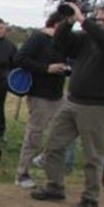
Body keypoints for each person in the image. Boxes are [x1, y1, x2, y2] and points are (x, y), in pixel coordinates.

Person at [31, 4, 104, 207]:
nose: (99, 23)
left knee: (93, 155)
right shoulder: (87, 38)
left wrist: (85, 21)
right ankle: (55, 187)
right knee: (54, 144)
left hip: (97, 106)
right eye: (97, 19)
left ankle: (91, 198)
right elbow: (62, 43)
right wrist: (68, 22)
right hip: (72, 101)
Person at [12, 10, 69, 188]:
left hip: (59, 94)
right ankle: (22, 173)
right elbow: (19, 59)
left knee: (65, 130)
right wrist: (46, 68)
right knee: (35, 135)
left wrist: (67, 68)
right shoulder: (38, 38)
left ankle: (45, 159)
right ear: (56, 24)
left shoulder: (63, 41)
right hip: (40, 94)